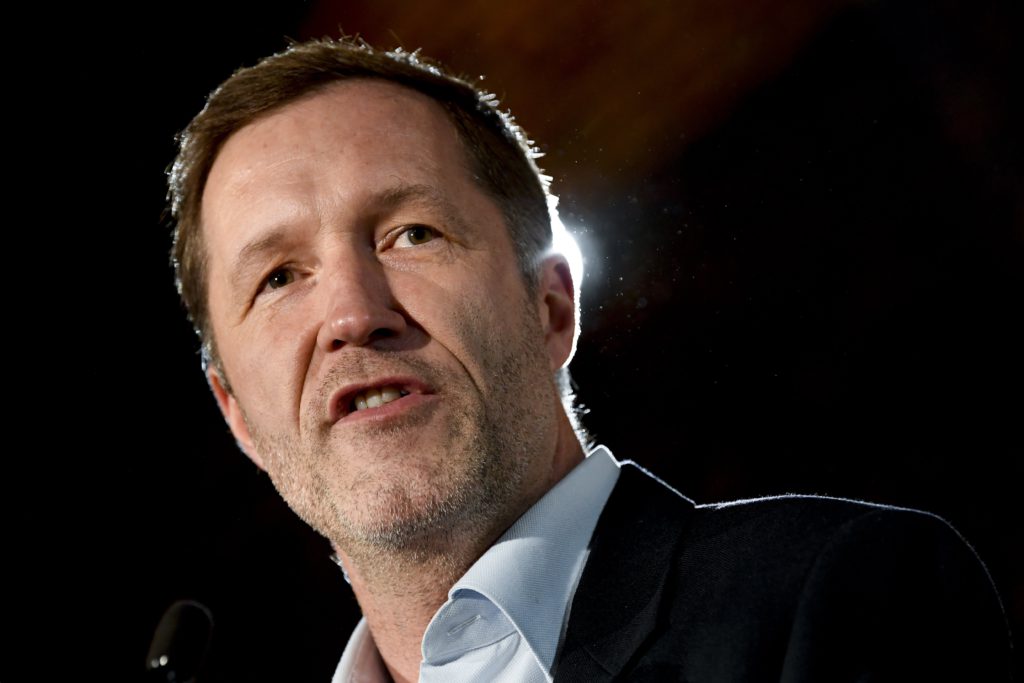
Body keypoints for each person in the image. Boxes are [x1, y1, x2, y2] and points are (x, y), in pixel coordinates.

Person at [167, 37, 1013, 682]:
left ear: (551, 308)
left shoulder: (833, 596)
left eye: (411, 234)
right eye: (279, 278)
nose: (353, 315)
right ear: (237, 414)